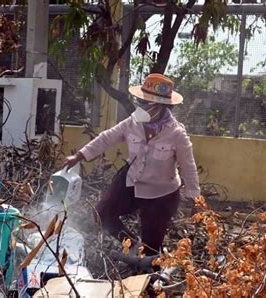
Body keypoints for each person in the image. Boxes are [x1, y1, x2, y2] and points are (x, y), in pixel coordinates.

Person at [64, 73, 200, 256]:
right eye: (140, 102)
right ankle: (133, 247)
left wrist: (195, 198)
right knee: (102, 214)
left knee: (152, 246)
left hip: (161, 194)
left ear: (160, 107)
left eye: (145, 104)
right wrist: (79, 156)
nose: (141, 107)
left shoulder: (176, 134)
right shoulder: (132, 123)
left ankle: (149, 272)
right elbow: (106, 138)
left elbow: (188, 166)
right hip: (131, 182)